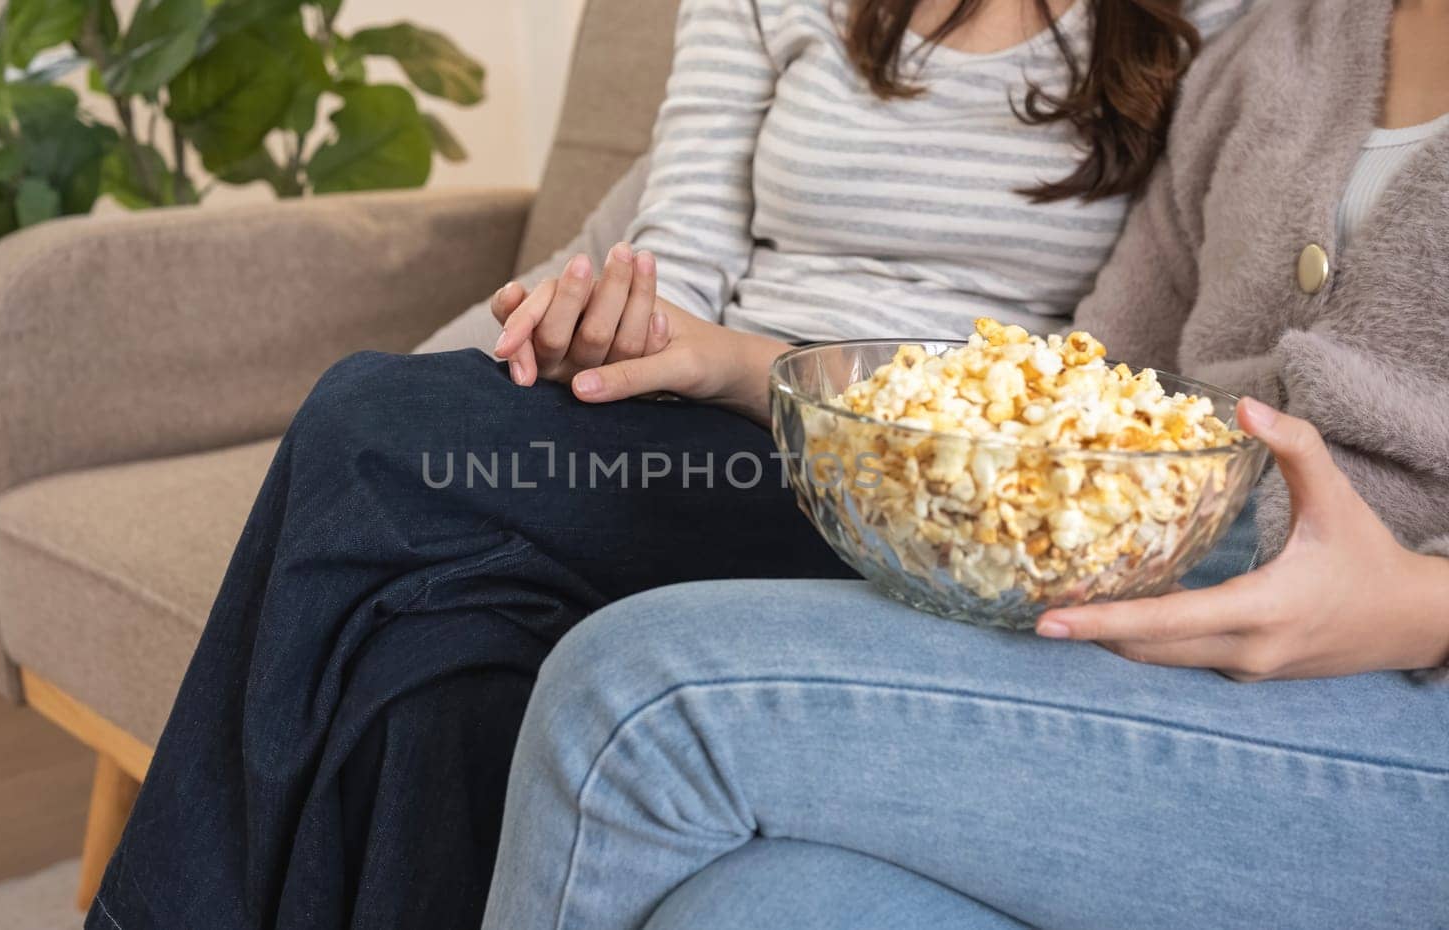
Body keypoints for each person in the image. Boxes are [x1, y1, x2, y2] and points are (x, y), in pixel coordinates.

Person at [86, 1, 1253, 928]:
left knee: (366, 423)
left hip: (933, 489)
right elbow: (681, 252)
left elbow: (1093, 384)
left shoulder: (1207, 21)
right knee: (445, 663)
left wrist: (757, 366)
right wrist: (613, 322)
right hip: (708, 435)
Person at [477, 1, 1449, 927]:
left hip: (1408, 694)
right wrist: (761, 374)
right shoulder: (1277, 39)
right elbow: (1099, 377)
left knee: (633, 697)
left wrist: (1412, 604)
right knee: (752, 908)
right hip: (1158, 596)